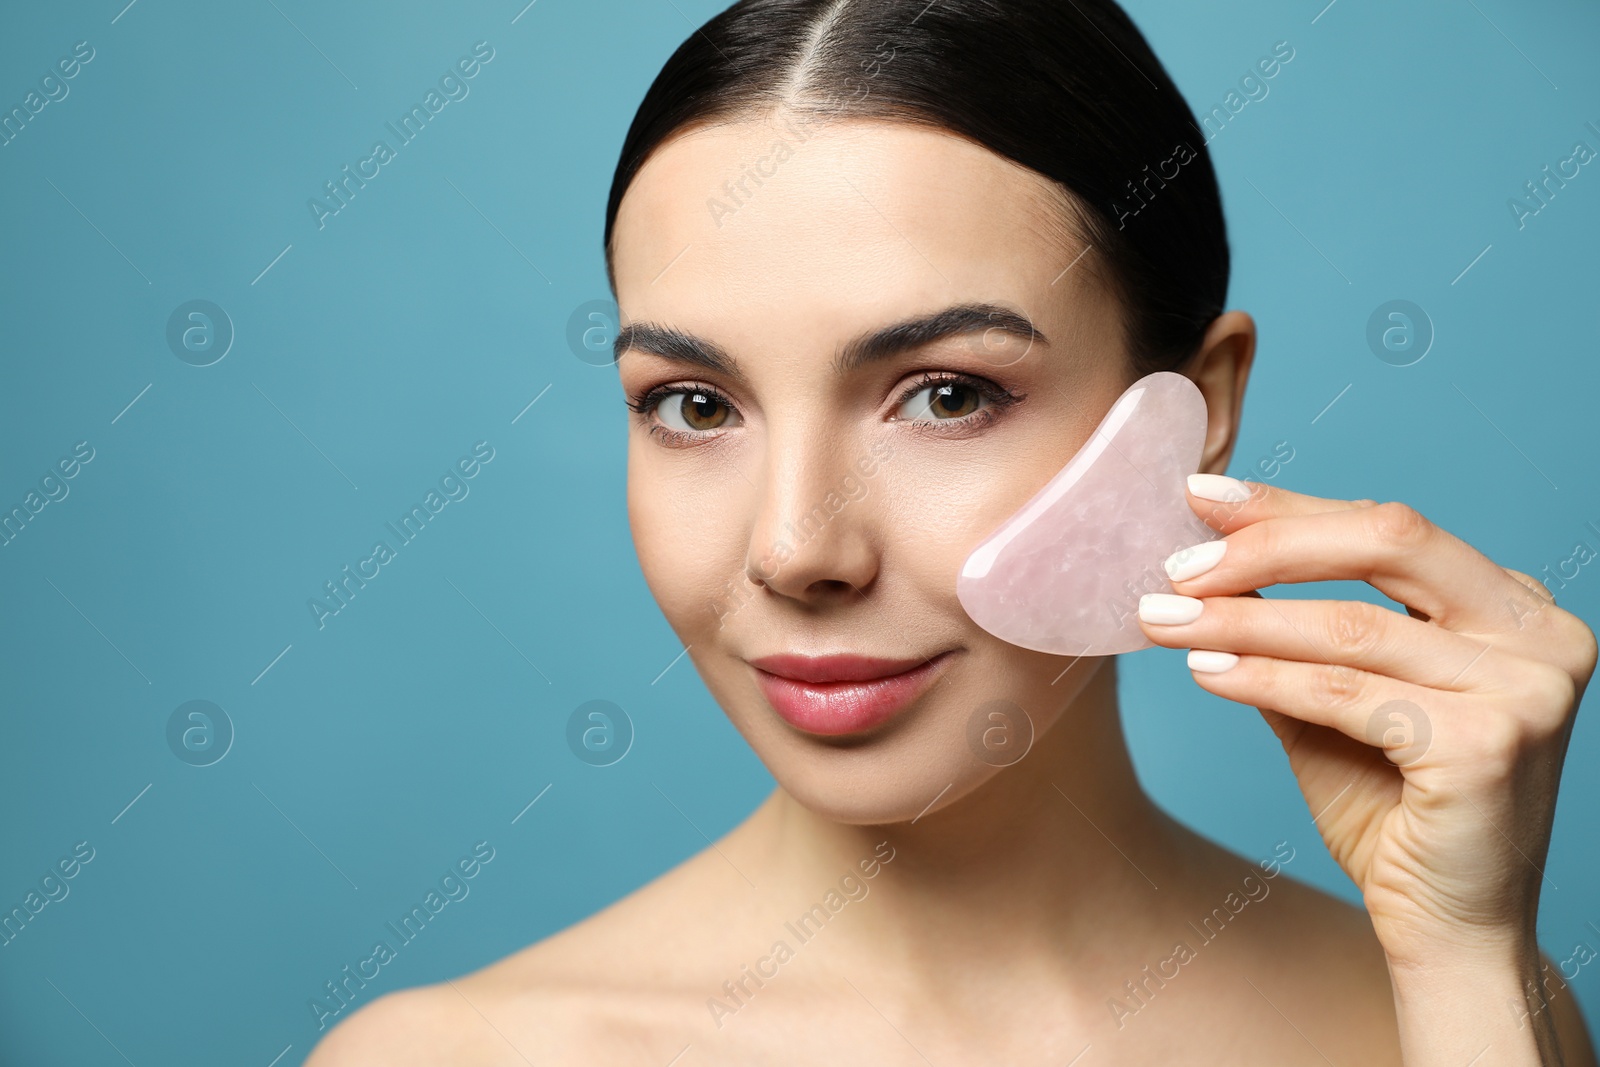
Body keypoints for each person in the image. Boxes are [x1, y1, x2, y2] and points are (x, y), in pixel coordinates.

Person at [307, 0, 1599, 1062]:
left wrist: (1468, 963)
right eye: (694, 405)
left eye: (947, 395)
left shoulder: (1455, 1017)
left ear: (1196, 410)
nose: (797, 549)